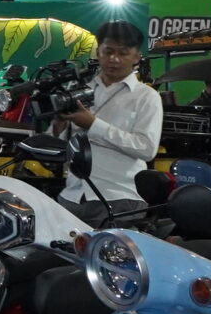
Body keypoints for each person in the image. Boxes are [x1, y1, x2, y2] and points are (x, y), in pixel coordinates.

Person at [60, 21, 164, 212]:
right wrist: (58, 124)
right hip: (72, 195)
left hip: (119, 197)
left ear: (136, 57)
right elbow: (63, 144)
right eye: (108, 52)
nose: (114, 59)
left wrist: (93, 125)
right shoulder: (79, 91)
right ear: (98, 52)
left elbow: (147, 149)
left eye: (123, 53)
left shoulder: (146, 96)